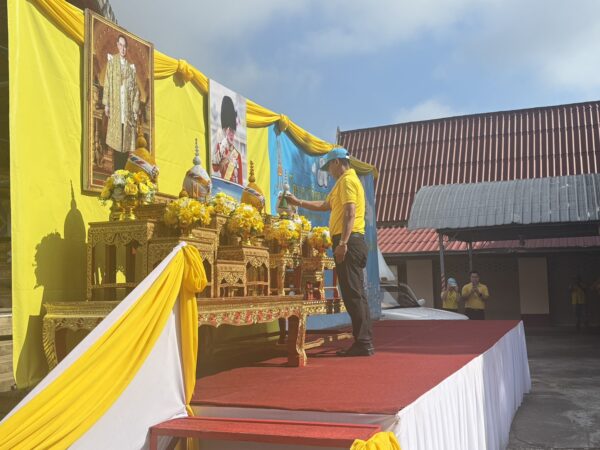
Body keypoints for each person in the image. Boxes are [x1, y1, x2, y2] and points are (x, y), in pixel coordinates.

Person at [286, 148, 373, 357]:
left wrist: (343, 243)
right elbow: (325, 205)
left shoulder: (347, 181)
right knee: (356, 293)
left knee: (353, 294)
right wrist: (298, 202)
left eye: (329, 167)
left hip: (349, 241)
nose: (329, 172)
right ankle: (364, 340)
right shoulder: (343, 183)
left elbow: (350, 211)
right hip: (351, 241)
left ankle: (363, 342)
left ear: (337, 162)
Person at [102, 34, 140, 171]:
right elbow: (107, 82)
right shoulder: (112, 62)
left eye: (125, 46)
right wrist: (106, 103)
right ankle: (116, 171)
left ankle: (122, 171)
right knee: (116, 142)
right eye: (121, 45)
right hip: (116, 107)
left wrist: (134, 110)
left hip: (127, 110)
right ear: (117, 45)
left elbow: (135, 90)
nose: (123, 49)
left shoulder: (131, 68)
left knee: (125, 143)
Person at [212, 96, 243, 184]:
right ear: (225, 131)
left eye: (233, 131)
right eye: (229, 131)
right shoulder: (219, 147)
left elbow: (240, 182)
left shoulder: (237, 155)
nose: (232, 135)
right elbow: (215, 168)